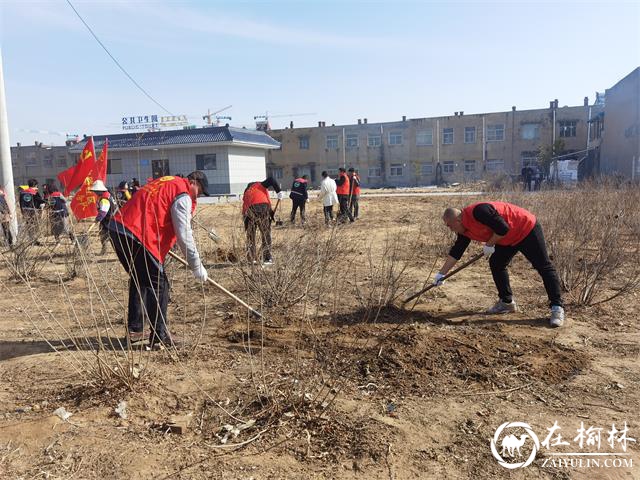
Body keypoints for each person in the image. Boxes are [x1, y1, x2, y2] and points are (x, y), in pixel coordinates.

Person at [108, 172, 210, 348]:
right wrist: (196, 265)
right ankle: (159, 336)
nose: (198, 196)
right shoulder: (182, 193)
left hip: (119, 229)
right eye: (199, 191)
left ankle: (135, 330)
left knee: (141, 280)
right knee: (159, 284)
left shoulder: (168, 182)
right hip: (138, 234)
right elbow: (183, 233)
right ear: (193, 182)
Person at [434, 202, 565, 327]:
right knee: (497, 263)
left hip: (526, 228)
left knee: (544, 266)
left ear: (457, 220)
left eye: (449, 225)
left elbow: (503, 227)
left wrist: (490, 244)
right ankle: (506, 303)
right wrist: (441, 274)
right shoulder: (464, 230)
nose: (450, 229)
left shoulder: (479, 211)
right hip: (507, 238)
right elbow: (457, 251)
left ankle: (557, 308)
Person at [242, 177, 283, 265]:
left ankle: (251, 258)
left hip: (248, 211)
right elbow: (272, 179)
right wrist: (278, 192)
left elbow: (244, 208)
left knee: (250, 236)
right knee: (265, 234)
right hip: (263, 208)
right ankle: (267, 259)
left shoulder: (247, 191)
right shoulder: (259, 185)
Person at [90, 180, 116, 255]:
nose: (95, 192)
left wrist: (97, 219)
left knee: (108, 236)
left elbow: (103, 211)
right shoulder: (106, 195)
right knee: (103, 235)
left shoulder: (104, 198)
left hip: (109, 220)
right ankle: (104, 251)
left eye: (96, 191)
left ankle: (112, 251)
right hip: (108, 219)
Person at [19, 179, 45, 245]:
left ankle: (31, 240)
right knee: (34, 226)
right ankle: (34, 240)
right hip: (33, 212)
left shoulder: (22, 192)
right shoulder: (34, 192)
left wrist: (22, 211)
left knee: (29, 226)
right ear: (35, 185)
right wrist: (46, 202)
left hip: (25, 212)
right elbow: (40, 201)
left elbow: (20, 203)